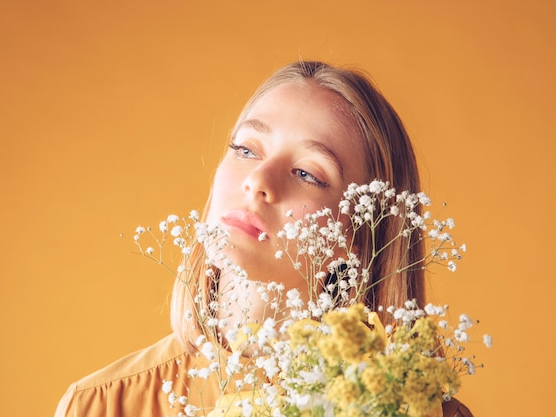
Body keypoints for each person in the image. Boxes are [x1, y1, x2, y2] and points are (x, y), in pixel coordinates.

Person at [54, 61, 473, 417]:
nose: (258, 180)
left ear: (358, 241)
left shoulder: (411, 410)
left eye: (308, 173)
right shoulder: (102, 405)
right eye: (246, 150)